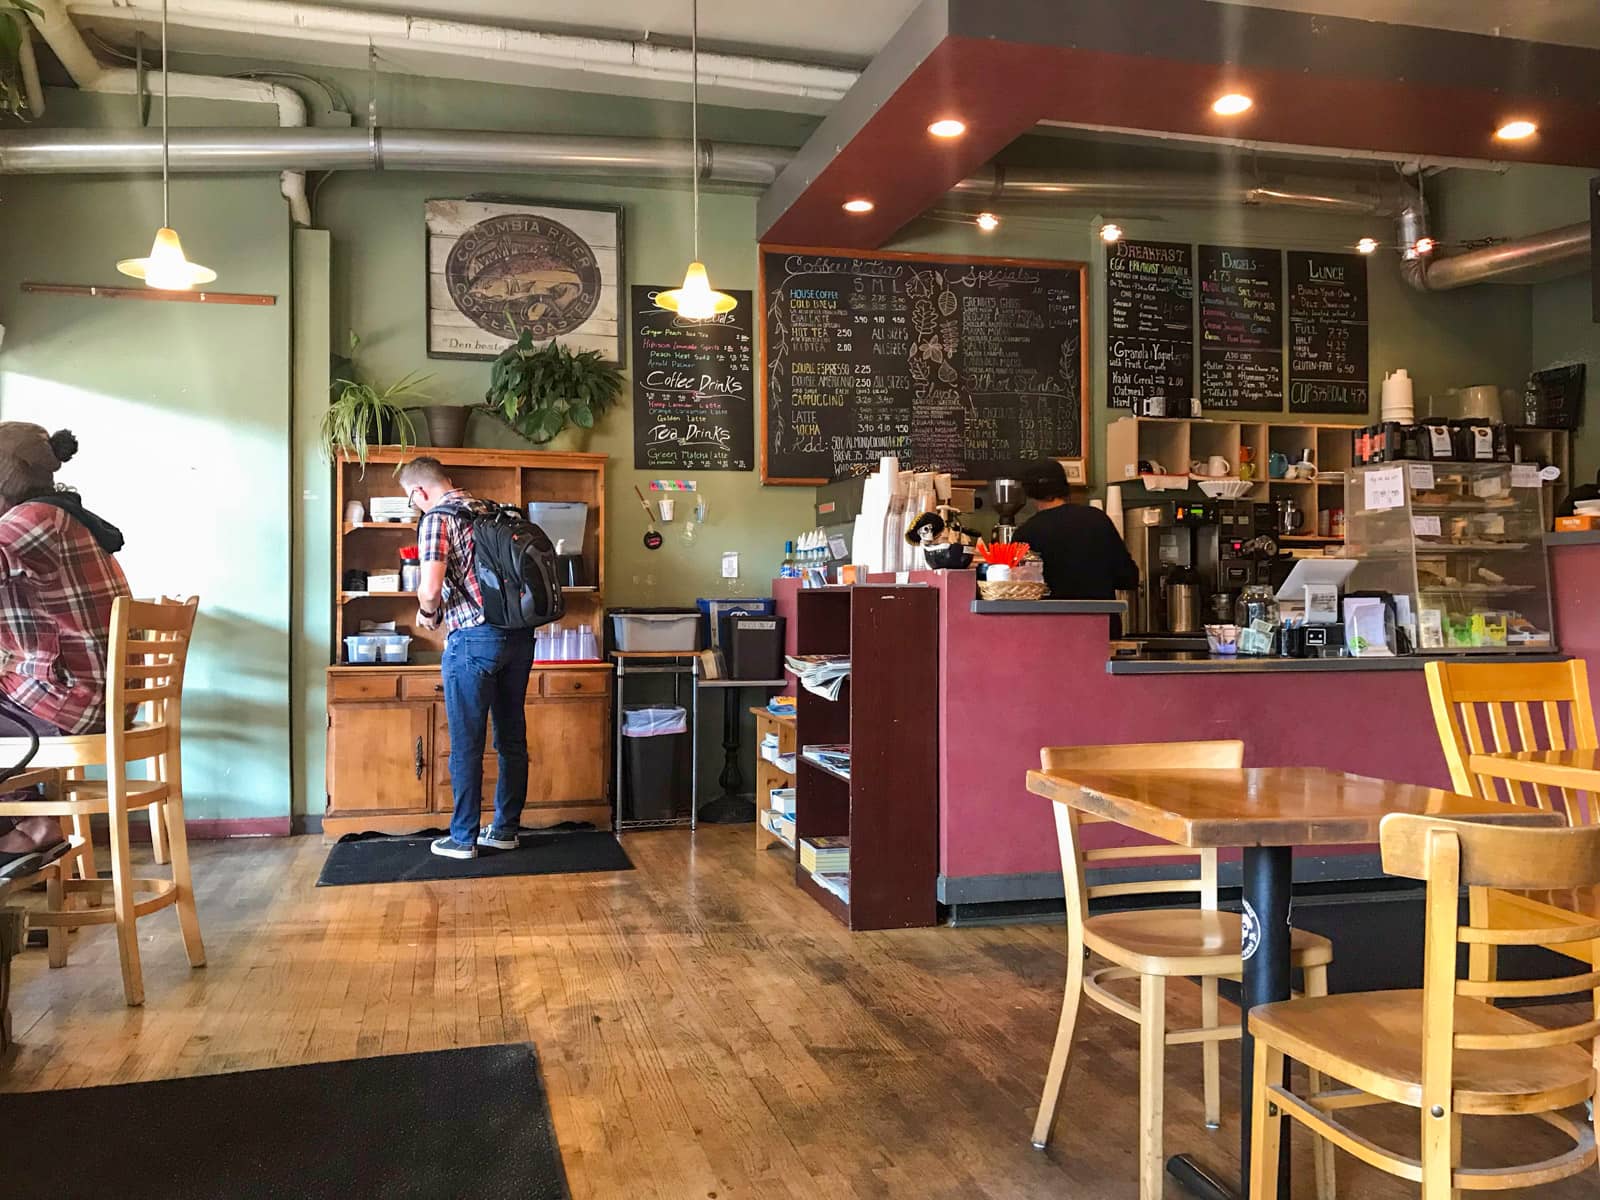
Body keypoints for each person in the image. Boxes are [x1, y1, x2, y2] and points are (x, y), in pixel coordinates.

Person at [0, 424, 130, 880]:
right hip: (87, 696)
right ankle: (27, 834)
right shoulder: (59, 515)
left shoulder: (33, 519)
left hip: (70, 700)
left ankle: (33, 825)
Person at [401, 456, 536, 861]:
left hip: (473, 640)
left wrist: (428, 616)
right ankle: (506, 830)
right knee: (511, 737)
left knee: (466, 743)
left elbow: (429, 589)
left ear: (418, 491)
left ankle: (462, 839)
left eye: (410, 499)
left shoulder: (437, 520)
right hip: (519, 637)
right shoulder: (489, 510)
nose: (414, 506)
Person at [1012, 458, 1139, 616]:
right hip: (1101, 627)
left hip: (1051, 628)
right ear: (1065, 487)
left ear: (1029, 492)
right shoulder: (1097, 519)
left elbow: (1018, 592)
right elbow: (1128, 578)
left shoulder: (1026, 533)